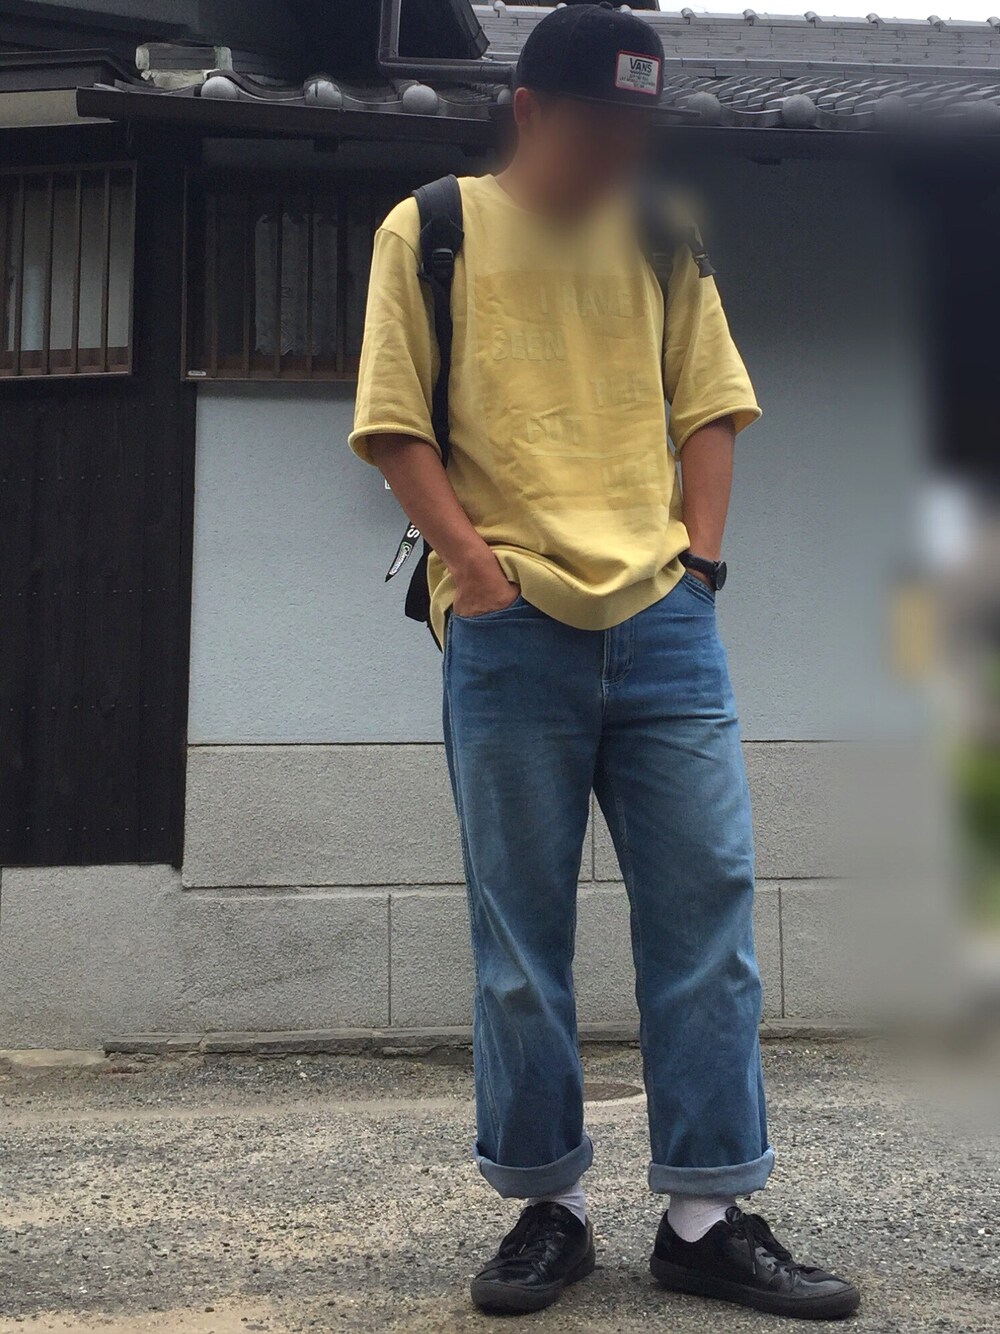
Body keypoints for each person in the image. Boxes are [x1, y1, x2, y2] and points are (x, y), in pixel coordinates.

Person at [350, 2, 859, 1321]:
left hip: (666, 624)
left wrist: (701, 570)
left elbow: (713, 407)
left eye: (637, 135)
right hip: (509, 626)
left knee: (709, 916)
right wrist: (475, 573)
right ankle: (550, 1207)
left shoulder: (659, 231)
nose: (618, 159)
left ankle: (703, 1216)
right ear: (529, 112)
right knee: (520, 937)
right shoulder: (433, 229)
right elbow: (395, 424)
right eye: (596, 133)